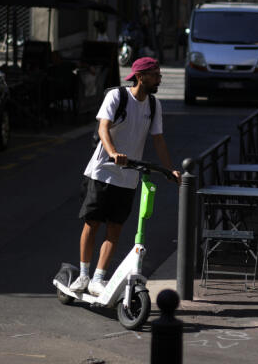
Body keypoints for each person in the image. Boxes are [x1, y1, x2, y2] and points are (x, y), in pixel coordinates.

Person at [69, 57, 181, 296]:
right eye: (155, 75)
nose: (159, 78)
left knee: (115, 229)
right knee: (92, 224)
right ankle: (84, 275)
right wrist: (112, 153)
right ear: (140, 77)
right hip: (102, 172)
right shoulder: (117, 97)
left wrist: (169, 169)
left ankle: (98, 278)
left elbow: (158, 139)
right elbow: (103, 127)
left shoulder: (153, 105)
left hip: (129, 177)